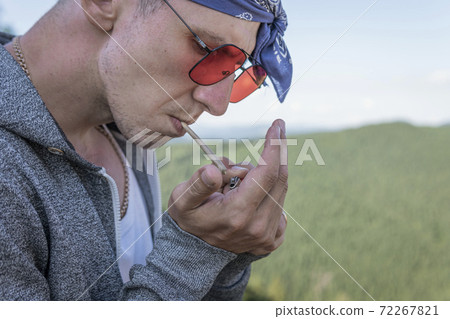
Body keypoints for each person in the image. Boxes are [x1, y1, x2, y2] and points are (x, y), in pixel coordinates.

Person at [0, 0, 292, 300]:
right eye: (206, 49)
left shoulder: (132, 133)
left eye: (233, 68)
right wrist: (190, 255)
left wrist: (222, 256)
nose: (217, 104)